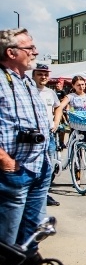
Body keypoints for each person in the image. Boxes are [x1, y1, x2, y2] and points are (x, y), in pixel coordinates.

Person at [0, 29, 51, 248]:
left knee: (31, 237)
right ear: (11, 53)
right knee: (7, 242)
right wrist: (4, 159)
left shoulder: (27, 82)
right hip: (13, 172)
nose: (35, 52)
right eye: (29, 48)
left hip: (38, 168)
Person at [53, 75, 86, 187]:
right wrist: (58, 116)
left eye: (82, 84)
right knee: (76, 154)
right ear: (73, 86)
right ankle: (77, 178)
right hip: (77, 127)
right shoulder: (70, 96)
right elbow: (61, 106)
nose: (81, 87)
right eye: (78, 85)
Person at [32, 64, 60, 207]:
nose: (43, 77)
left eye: (45, 74)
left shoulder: (50, 92)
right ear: (34, 75)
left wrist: (56, 122)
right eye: (40, 74)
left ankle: (44, 194)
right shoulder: (29, 90)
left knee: (49, 165)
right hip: (33, 136)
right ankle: (35, 194)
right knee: (34, 166)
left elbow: (58, 107)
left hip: (49, 134)